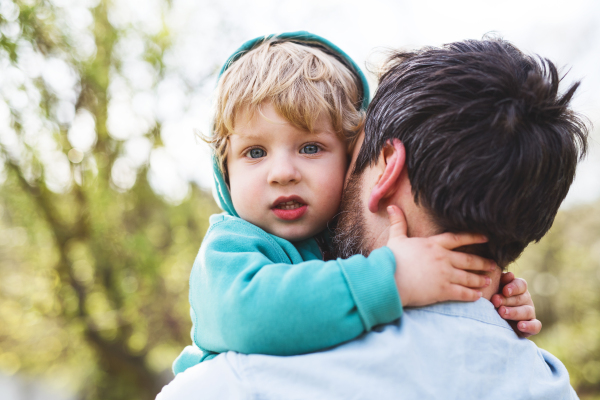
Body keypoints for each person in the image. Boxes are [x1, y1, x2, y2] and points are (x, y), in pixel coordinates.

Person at [157, 37, 588, 399]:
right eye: (254, 152)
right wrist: (392, 278)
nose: (283, 172)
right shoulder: (232, 246)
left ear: (376, 166)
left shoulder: (331, 248)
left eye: (311, 148)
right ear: (223, 170)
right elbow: (248, 315)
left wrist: (501, 300)